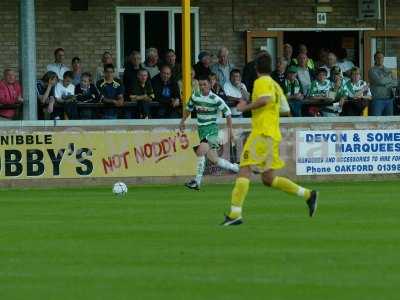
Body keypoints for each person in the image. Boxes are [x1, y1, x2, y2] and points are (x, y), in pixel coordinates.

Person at [221, 53, 317, 226]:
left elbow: (265, 100)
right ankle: (308, 194)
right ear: (271, 67)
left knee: (244, 169)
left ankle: (235, 213)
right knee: (268, 179)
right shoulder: (275, 85)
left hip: (262, 133)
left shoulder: (262, 82)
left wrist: (246, 107)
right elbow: (285, 108)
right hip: (272, 134)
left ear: (256, 67)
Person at [180, 75, 239, 190]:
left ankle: (197, 182)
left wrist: (230, 131)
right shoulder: (195, 96)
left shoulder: (215, 99)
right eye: (200, 85)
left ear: (210, 85)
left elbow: (228, 113)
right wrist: (182, 121)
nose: (202, 87)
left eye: (205, 84)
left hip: (212, 130)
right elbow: (188, 109)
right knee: (214, 160)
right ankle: (237, 168)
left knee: (201, 151)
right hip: (202, 131)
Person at [368, 51, 397, 116]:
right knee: (376, 122)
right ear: (375, 59)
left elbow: (395, 82)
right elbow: (380, 81)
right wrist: (389, 80)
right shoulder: (372, 70)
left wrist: (385, 82)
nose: (380, 59)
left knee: (389, 122)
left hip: (389, 99)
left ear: (383, 59)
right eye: (378, 58)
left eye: (381, 57)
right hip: (377, 100)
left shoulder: (388, 70)